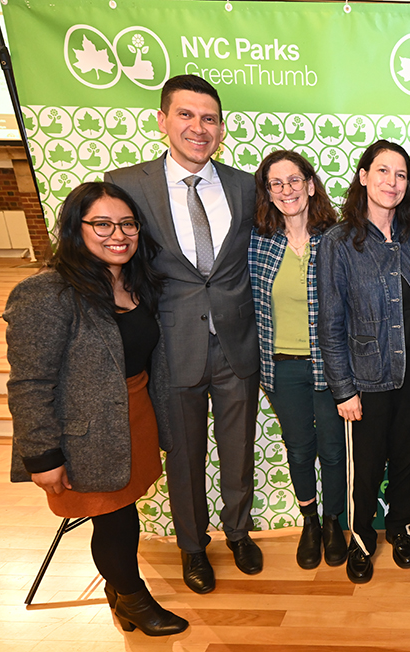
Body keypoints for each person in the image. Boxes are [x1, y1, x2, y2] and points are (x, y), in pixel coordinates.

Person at [5, 181, 187, 636]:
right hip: (84, 431)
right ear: (75, 228)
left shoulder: (137, 282)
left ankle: (117, 590)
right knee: (115, 518)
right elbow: (29, 382)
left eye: (127, 223)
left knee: (124, 510)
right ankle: (133, 600)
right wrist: (42, 456)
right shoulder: (48, 293)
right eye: (101, 224)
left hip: (134, 414)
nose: (117, 234)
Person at [105, 74, 261, 595]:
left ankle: (238, 532)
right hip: (171, 347)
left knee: (238, 448)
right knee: (186, 455)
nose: (199, 127)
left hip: (237, 345)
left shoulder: (244, 185)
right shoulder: (127, 185)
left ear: (222, 128)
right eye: (187, 115)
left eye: (210, 118)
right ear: (163, 120)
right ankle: (193, 547)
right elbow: (114, 262)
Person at [318, 140, 410, 585]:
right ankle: (361, 539)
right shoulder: (339, 242)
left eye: (401, 175)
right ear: (363, 176)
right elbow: (329, 321)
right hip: (366, 380)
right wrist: (343, 389)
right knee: (365, 471)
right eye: (382, 171)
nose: (392, 182)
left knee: (405, 462)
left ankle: (400, 527)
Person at [248, 150, 347, 571]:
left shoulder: (338, 238)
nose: (286, 190)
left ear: (310, 184)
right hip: (281, 367)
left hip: (331, 367)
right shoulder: (257, 242)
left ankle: (332, 522)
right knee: (299, 449)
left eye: (294, 180)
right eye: (276, 183)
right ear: (268, 193)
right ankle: (308, 519)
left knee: (334, 450)